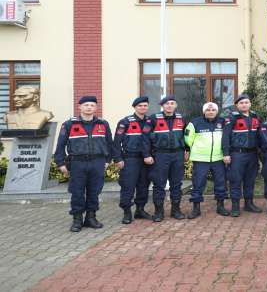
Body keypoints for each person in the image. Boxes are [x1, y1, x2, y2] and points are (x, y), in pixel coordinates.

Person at [53, 96, 114, 232]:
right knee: (77, 192)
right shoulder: (69, 124)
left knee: (94, 191)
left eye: (92, 105)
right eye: (86, 105)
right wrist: (60, 163)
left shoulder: (103, 124)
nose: (89, 107)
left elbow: (110, 144)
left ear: (96, 108)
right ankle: (77, 219)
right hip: (77, 163)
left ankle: (91, 218)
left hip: (97, 162)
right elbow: (60, 145)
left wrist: (108, 160)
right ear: (79, 107)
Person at [113, 96, 155, 224]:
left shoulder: (150, 121)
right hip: (130, 159)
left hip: (146, 160)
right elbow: (116, 143)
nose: (143, 108)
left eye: (145, 105)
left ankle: (140, 210)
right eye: (140, 106)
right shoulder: (125, 122)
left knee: (143, 185)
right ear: (135, 107)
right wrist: (118, 158)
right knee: (128, 186)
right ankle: (127, 212)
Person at [184, 102, 228, 219]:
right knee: (198, 184)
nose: (210, 112)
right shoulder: (195, 123)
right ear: (204, 112)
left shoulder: (222, 122)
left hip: (218, 158)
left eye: (213, 110)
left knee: (220, 182)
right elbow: (188, 138)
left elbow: (227, 137)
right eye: (208, 110)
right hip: (200, 159)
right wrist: (190, 149)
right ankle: (196, 208)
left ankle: (220, 206)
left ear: (216, 111)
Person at [148, 95, 188, 222]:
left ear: (175, 105)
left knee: (177, 184)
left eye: (172, 103)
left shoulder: (181, 118)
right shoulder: (153, 119)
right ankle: (158, 212)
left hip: (177, 154)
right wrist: (147, 154)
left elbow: (187, 136)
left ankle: (176, 210)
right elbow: (145, 138)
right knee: (159, 184)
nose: (169, 105)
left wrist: (187, 150)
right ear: (162, 106)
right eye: (166, 103)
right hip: (160, 155)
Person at [222, 94, 263, 217]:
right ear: (237, 105)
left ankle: (249, 204)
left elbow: (260, 136)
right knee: (235, 180)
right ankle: (235, 206)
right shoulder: (231, 118)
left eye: (246, 102)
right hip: (237, 154)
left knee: (250, 180)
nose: (244, 105)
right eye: (241, 103)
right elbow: (225, 137)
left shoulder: (255, 117)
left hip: (252, 154)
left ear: (250, 104)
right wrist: (226, 154)